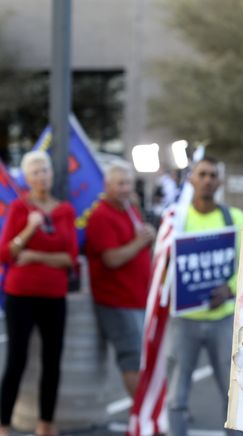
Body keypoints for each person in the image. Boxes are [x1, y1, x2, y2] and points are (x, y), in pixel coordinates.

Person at [165, 157, 243, 436]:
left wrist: (230, 288)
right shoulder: (176, 220)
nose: (208, 179)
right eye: (202, 174)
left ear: (219, 182)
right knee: (177, 394)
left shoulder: (234, 219)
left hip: (222, 319)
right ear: (191, 180)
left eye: (213, 174)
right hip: (183, 320)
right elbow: (163, 267)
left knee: (232, 393)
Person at [0, 151, 78, 436]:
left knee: (52, 359)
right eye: (35, 172)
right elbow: (5, 253)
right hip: (21, 294)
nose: (42, 176)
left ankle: (46, 422)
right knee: (17, 359)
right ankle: (3, 423)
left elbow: (70, 257)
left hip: (54, 295)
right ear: (27, 178)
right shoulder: (20, 209)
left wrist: (33, 255)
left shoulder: (65, 210)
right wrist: (29, 230)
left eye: (45, 170)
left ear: (52, 174)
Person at [85, 162, 156, 397]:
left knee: (143, 357)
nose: (126, 189)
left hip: (137, 297)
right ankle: (139, 414)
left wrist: (148, 237)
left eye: (129, 183)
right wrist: (141, 242)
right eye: (121, 184)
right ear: (107, 187)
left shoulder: (129, 208)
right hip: (118, 300)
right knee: (132, 358)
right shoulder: (101, 216)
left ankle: (146, 411)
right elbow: (112, 259)